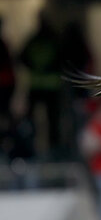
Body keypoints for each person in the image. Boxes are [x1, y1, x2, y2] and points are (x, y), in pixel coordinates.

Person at [20, 11, 62, 151]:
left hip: (41, 84)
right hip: (47, 85)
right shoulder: (52, 39)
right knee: (49, 120)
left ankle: (39, 145)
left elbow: (21, 57)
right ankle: (42, 146)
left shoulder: (38, 39)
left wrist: (37, 68)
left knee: (47, 120)